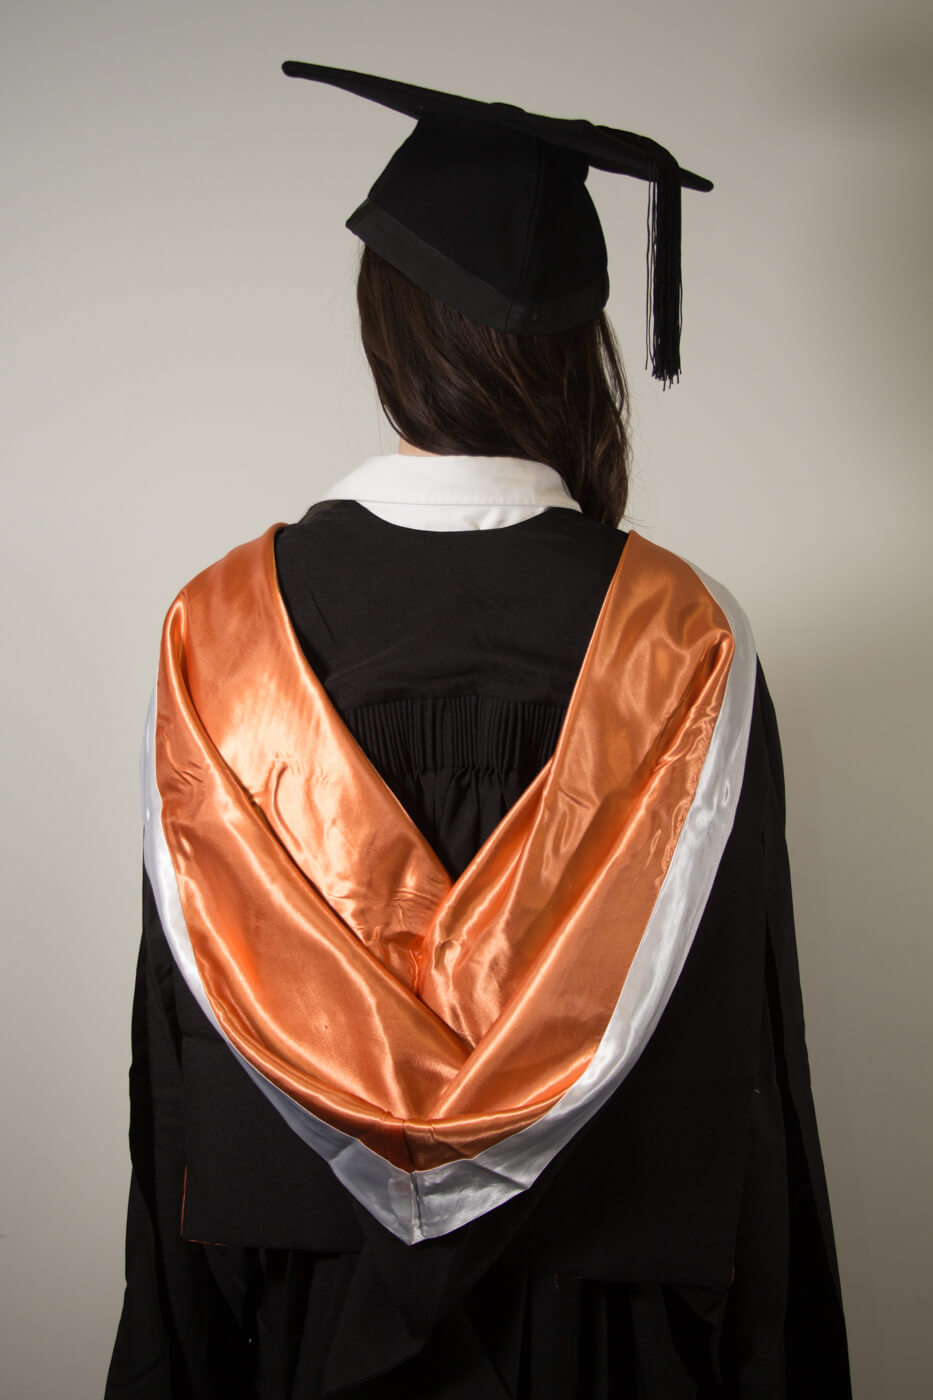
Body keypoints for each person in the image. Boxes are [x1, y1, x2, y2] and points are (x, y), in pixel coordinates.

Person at [106, 64, 851, 1399]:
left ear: (382, 329)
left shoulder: (216, 638)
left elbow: (177, 1071)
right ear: (578, 347)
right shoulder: (681, 642)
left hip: (299, 1333)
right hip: (617, 1353)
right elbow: (751, 1083)